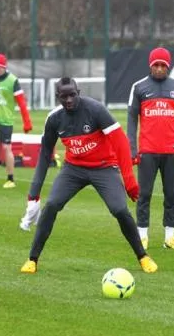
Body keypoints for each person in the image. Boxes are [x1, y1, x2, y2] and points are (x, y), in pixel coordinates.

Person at [19, 77, 158, 274]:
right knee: (51, 205)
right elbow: (44, 155)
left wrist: (129, 181)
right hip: (73, 169)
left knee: (119, 209)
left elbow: (120, 142)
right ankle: (32, 259)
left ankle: (143, 256)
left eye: (72, 95)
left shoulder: (96, 110)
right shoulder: (54, 119)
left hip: (104, 167)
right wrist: (34, 194)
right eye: (63, 97)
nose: (68, 100)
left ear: (79, 92)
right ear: (57, 96)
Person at [127, 47, 174, 250]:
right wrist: (132, 149)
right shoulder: (139, 88)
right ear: (150, 65)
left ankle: (169, 237)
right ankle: (142, 235)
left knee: (171, 194)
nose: (160, 68)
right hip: (147, 151)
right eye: (156, 64)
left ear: (168, 66)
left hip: (172, 151)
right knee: (144, 194)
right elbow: (131, 119)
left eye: (163, 65)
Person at [0, 53, 32, 188]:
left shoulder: (12, 80)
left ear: (4, 67)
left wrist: (27, 122)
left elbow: (21, 103)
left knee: (6, 147)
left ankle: (10, 178)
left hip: (5, 119)